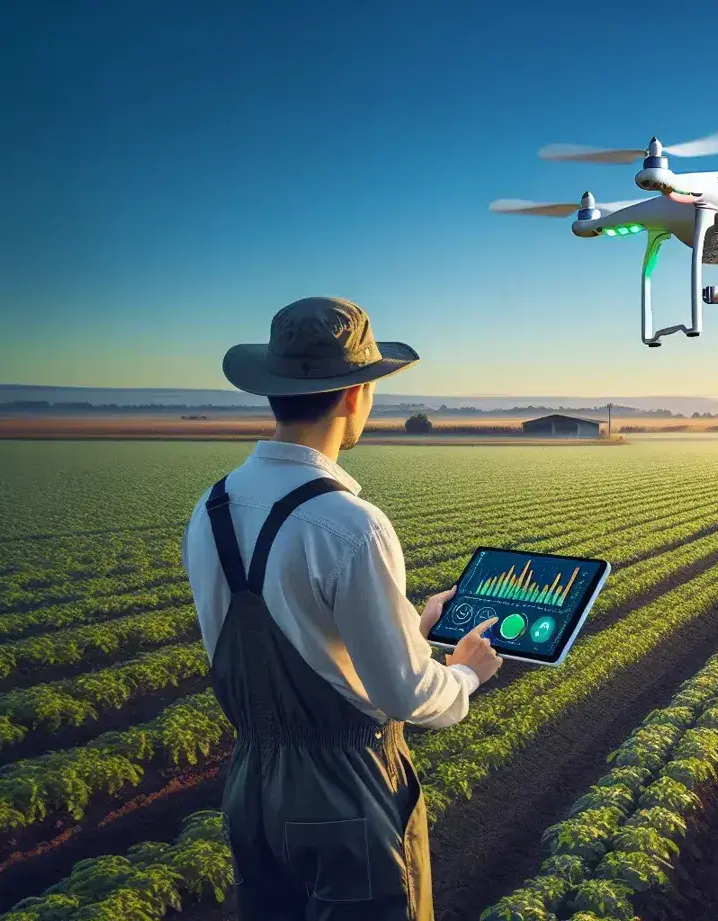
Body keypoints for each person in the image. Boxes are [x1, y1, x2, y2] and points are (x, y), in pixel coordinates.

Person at [181, 296, 502, 920]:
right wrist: (464, 672)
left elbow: (300, 638)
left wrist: (413, 626)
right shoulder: (350, 525)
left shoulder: (211, 506)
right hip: (345, 789)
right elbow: (405, 695)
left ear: (273, 390)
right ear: (355, 394)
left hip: (251, 783)